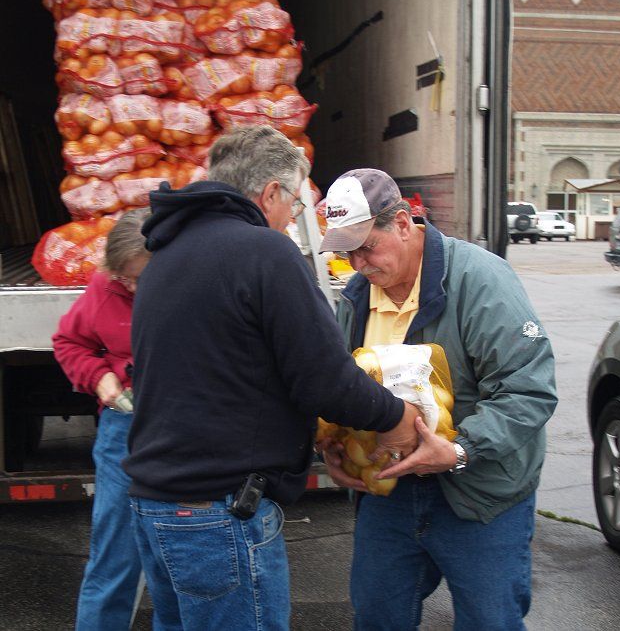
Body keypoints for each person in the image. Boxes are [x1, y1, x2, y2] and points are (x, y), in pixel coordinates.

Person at [122, 126, 419, 631]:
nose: (290, 220)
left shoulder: (164, 256)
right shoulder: (265, 252)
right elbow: (324, 378)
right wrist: (397, 416)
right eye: (295, 205)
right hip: (219, 514)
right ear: (271, 193)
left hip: (157, 508)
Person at [318, 168, 558, 631]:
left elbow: (529, 388)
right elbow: (346, 387)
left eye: (367, 247)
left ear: (403, 224)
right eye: (347, 252)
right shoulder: (356, 297)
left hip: (479, 492)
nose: (359, 264)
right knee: (377, 617)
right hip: (391, 492)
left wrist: (460, 450)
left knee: (490, 622)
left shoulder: (481, 280)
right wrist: (336, 448)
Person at [52, 208, 151, 631]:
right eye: (124, 279)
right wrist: (99, 376)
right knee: (115, 555)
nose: (131, 288)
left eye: (139, 278)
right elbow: (68, 341)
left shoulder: (192, 283)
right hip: (124, 425)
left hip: (186, 425)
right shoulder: (106, 286)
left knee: (185, 560)